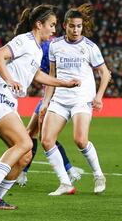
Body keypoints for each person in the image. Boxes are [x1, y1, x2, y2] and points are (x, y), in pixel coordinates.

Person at [0, 4, 81, 210]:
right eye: (51, 25)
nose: (54, 29)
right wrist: (9, 80)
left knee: (24, 156)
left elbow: (37, 76)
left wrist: (64, 83)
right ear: (38, 24)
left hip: (7, 103)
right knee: (25, 142)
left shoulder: (36, 48)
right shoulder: (24, 40)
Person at [40, 3, 111, 196]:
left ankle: (98, 175)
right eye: (72, 26)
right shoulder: (55, 45)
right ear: (65, 25)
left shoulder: (89, 47)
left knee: (80, 140)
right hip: (60, 100)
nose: (76, 29)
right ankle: (65, 183)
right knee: (46, 140)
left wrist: (99, 96)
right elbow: (52, 76)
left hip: (82, 99)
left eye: (79, 26)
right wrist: (45, 102)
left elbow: (105, 73)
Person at [16, 39, 83, 187]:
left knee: (43, 137)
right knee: (33, 134)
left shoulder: (47, 47)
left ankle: (69, 171)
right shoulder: (47, 46)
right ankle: (24, 173)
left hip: (55, 95)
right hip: (50, 93)